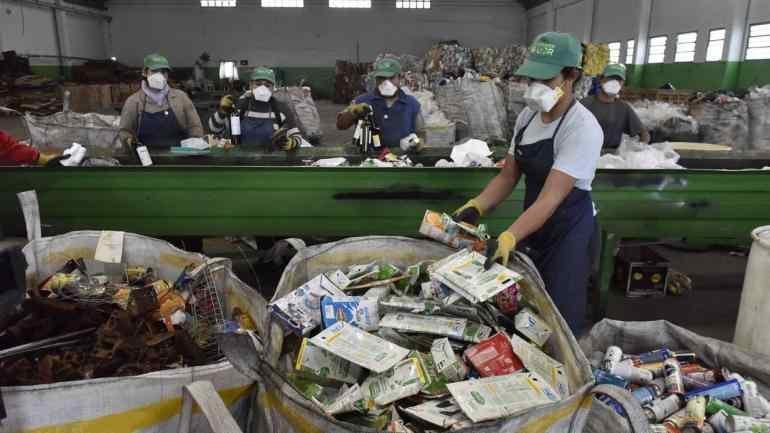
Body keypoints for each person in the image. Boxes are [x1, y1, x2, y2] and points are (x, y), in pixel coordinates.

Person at [453, 32, 603, 334]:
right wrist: (476, 206)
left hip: (568, 228)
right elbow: (508, 175)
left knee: (560, 312)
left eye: (545, 80)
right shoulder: (527, 117)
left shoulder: (582, 127)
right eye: (532, 79)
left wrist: (509, 237)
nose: (536, 89)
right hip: (536, 223)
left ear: (571, 75)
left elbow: (551, 198)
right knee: (529, 305)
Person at [119, 53, 204, 150]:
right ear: (145, 73)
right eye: (154, 71)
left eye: (163, 72)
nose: (160, 76)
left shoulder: (181, 98)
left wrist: (196, 144)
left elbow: (195, 126)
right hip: (146, 160)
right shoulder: (134, 102)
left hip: (180, 157)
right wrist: (129, 142)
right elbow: (124, 132)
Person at [336, 58, 423, 149]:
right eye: (381, 78)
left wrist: (417, 142)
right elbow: (340, 125)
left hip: (402, 159)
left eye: (391, 78)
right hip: (369, 158)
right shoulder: (362, 101)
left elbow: (421, 134)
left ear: (400, 78)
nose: (386, 83)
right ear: (376, 79)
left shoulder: (411, 104)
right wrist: (352, 113)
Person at [209, 67, 303, 150]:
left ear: (273, 88)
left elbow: (297, 136)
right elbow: (214, 130)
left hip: (272, 163)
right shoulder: (240, 106)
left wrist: (291, 143)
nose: (262, 88)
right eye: (258, 84)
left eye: (267, 85)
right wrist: (222, 111)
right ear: (250, 85)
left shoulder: (281, 108)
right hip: (242, 162)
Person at [582, 63, 650, 149]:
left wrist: (639, 149)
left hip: (610, 157)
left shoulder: (623, 108)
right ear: (601, 79)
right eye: (611, 78)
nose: (615, 83)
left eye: (619, 80)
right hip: (585, 154)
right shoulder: (585, 104)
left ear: (623, 84)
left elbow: (644, 134)